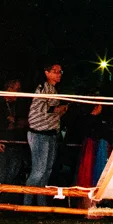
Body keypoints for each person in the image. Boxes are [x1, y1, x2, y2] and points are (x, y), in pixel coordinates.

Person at [24, 62, 68, 205]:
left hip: (50, 134)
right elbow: (39, 109)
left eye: (60, 71)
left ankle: (41, 205)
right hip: (39, 133)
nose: (58, 74)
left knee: (46, 171)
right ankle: (27, 204)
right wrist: (59, 108)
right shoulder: (42, 88)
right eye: (55, 71)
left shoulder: (54, 90)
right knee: (38, 171)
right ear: (47, 72)